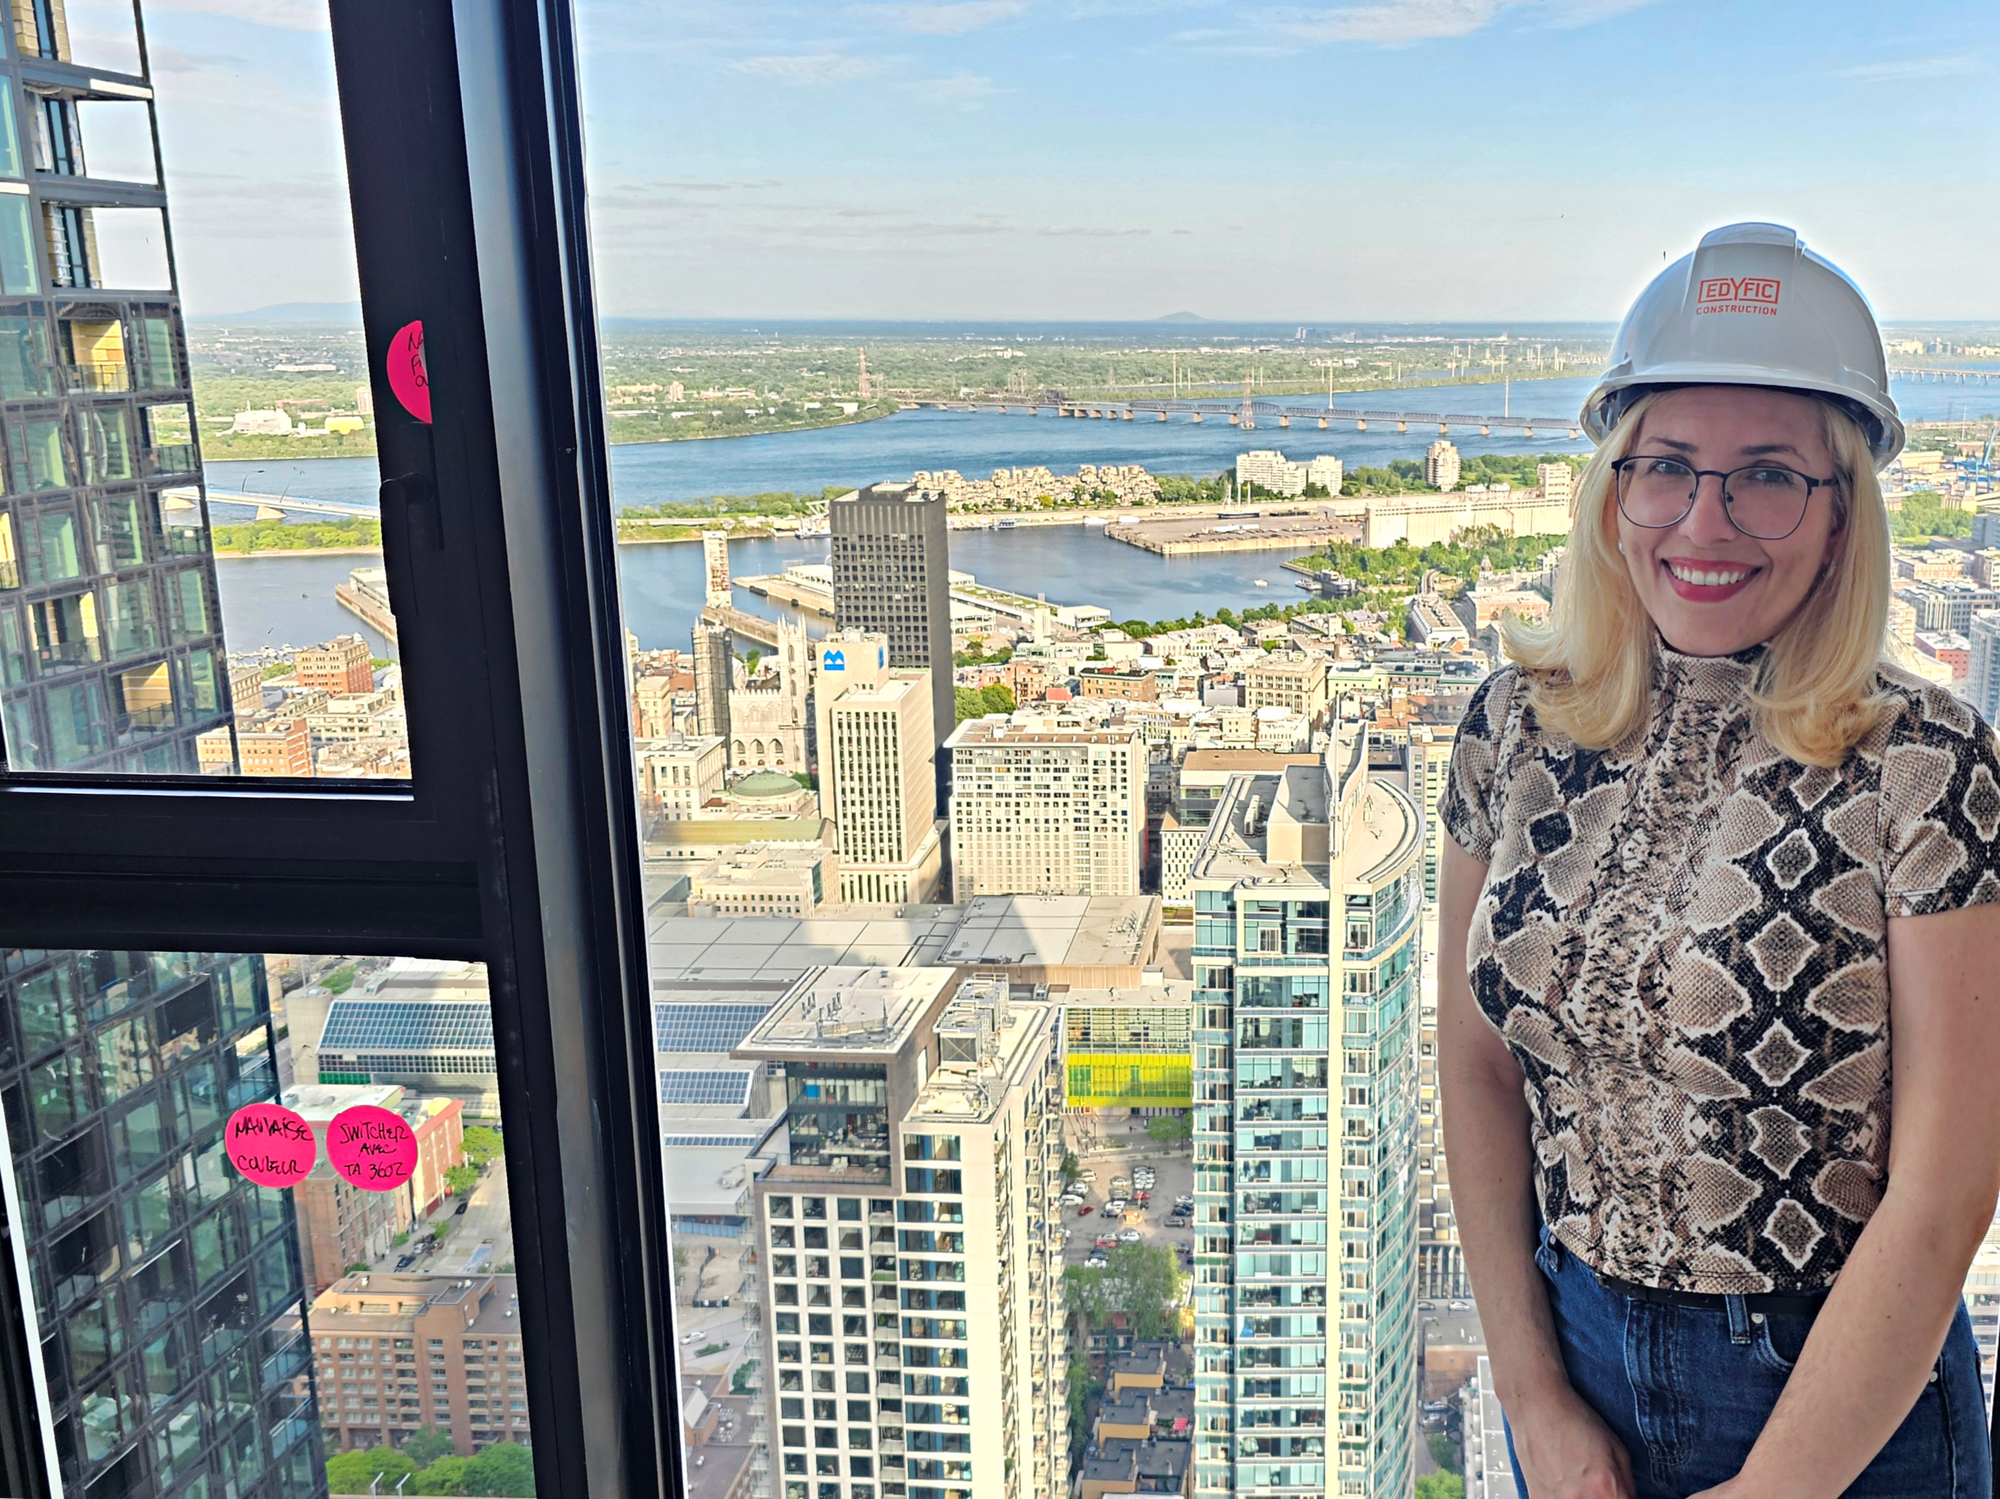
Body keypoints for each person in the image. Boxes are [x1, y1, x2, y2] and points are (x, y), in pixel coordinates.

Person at [1437, 222, 2000, 1499]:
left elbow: (1945, 1187)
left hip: (1837, 1391)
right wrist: (1529, 1396)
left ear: (1840, 506)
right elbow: (1471, 1058)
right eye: (1667, 467)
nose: (1705, 519)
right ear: (1611, 487)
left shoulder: (1924, 764)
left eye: (1765, 475)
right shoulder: (1509, 726)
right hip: (1570, 1347)